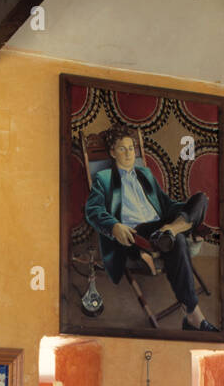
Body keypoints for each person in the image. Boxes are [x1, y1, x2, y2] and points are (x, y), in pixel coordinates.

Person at [84, 126, 217, 331]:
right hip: (136, 232)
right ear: (112, 152)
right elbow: (92, 210)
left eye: (131, 148)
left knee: (200, 198)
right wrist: (114, 225)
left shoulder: (144, 173)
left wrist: (189, 209)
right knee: (179, 240)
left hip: (160, 225)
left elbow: (166, 204)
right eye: (122, 149)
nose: (129, 153)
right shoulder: (104, 179)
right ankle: (193, 315)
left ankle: (170, 231)